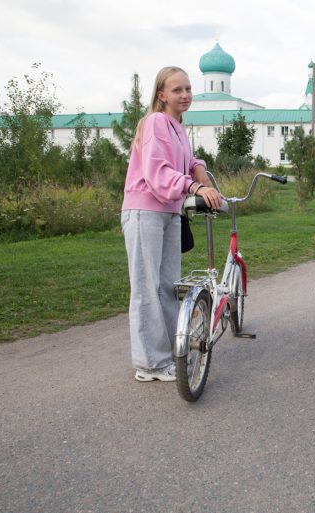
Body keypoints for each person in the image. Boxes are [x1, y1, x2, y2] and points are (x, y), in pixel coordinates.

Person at [121, 66, 224, 382]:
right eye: (177, 90)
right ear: (161, 94)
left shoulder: (177, 126)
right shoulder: (154, 123)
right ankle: (149, 363)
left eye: (189, 89)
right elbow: (157, 171)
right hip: (145, 212)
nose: (185, 95)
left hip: (168, 212)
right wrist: (195, 187)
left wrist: (200, 168)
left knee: (167, 287)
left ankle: (167, 356)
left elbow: (186, 160)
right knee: (146, 287)